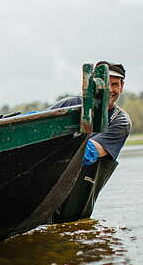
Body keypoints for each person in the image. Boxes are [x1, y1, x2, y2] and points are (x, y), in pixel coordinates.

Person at [50, 61, 131, 222]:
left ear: (121, 87)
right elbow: (37, 124)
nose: (109, 90)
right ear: (91, 85)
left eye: (115, 84)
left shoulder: (120, 122)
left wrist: (53, 146)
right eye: (104, 84)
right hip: (45, 187)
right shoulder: (70, 104)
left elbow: (88, 154)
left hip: (77, 200)